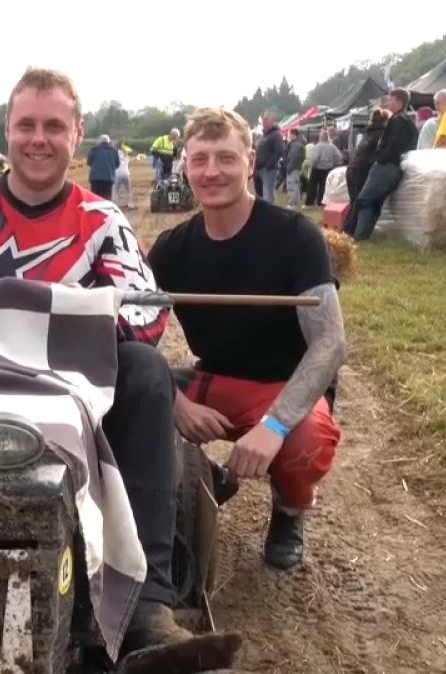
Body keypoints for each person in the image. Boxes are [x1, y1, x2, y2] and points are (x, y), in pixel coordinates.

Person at [0, 66, 221, 660]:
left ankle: (149, 606)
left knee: (146, 371)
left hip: (70, 385)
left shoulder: (103, 220)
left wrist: (39, 324)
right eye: (26, 125)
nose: (39, 139)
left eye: (54, 126)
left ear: (77, 134)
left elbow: (147, 320)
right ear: (7, 131)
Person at [146, 107, 345, 570]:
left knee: (305, 442)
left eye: (225, 158)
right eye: (199, 160)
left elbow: (331, 343)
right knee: (129, 397)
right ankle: (198, 479)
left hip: (283, 385)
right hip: (213, 379)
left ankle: (289, 511)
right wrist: (177, 405)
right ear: (185, 166)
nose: (212, 172)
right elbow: (132, 335)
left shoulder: (296, 236)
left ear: (250, 162)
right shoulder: (172, 248)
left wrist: (273, 428)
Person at [347, 88, 417, 241]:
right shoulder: (409, 123)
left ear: (399, 101)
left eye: (391, 99)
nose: (388, 102)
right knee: (374, 200)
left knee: (365, 199)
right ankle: (364, 233)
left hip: (387, 165)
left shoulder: (397, 121)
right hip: (395, 166)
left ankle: (360, 234)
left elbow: (391, 146)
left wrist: (380, 159)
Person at [341, 108, 389, 234]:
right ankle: (350, 229)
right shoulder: (382, 134)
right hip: (362, 170)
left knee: (353, 201)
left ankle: (347, 227)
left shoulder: (368, 132)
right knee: (359, 201)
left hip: (352, 168)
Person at [305, 129, 342, 207]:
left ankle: (309, 202)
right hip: (328, 168)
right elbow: (339, 157)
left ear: (320, 137)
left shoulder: (318, 146)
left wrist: (313, 165)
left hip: (317, 168)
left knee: (312, 186)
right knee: (324, 186)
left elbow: (315, 158)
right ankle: (321, 202)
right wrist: (333, 163)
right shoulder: (332, 146)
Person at [254, 113, 284, 204]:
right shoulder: (265, 135)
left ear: (272, 122)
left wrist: (269, 164)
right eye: (263, 119)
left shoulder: (276, 135)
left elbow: (279, 151)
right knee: (262, 192)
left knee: (269, 193)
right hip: (259, 168)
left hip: (269, 169)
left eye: (266, 119)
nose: (264, 121)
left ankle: (271, 213)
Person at [86, 133, 120, 200]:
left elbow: (89, 162)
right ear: (109, 141)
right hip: (109, 178)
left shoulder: (94, 150)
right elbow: (117, 164)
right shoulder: (114, 151)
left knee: (94, 198)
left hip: (95, 179)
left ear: (99, 141)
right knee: (107, 199)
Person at [283, 129, 305, 210]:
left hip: (293, 168)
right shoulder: (297, 144)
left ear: (293, 135)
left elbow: (293, 157)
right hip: (296, 168)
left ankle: (292, 204)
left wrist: (289, 167)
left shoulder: (295, 145)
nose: (289, 136)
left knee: (292, 186)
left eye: (290, 134)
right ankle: (295, 203)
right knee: (296, 185)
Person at [113, 139, 135, 209]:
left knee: (115, 190)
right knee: (128, 190)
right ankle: (130, 204)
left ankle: (114, 205)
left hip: (117, 174)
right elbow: (131, 153)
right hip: (126, 173)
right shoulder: (126, 154)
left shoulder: (115, 154)